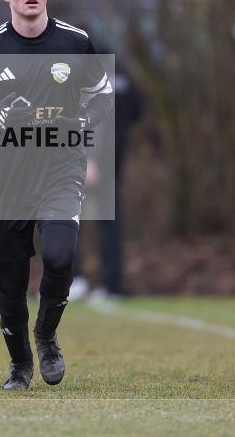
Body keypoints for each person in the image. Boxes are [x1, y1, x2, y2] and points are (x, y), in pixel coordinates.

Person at [0, 0, 114, 390]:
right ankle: (20, 365)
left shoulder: (75, 42)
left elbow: (102, 96)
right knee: (12, 284)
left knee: (60, 256)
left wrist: (82, 121)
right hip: (9, 180)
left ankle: (46, 335)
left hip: (62, 168)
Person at [69, 53, 143, 302]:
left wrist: (90, 158)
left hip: (89, 159)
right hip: (114, 158)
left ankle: (73, 280)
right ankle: (110, 284)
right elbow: (137, 109)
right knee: (109, 221)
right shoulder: (119, 67)